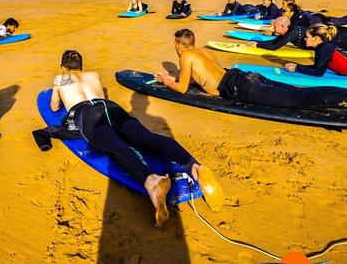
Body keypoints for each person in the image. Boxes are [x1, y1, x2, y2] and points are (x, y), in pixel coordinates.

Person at [33, 50, 224, 228]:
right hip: (109, 107)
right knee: (145, 138)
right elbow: (104, 94)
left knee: (118, 146)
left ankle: (152, 181)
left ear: (63, 67)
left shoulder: (61, 79)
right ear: (81, 66)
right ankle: (194, 166)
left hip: (87, 113)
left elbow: (55, 106)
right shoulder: (94, 76)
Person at [155, 29, 347, 109]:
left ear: (178, 45)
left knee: (297, 99)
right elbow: (200, 76)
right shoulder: (203, 51)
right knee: (297, 92)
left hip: (242, 88)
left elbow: (182, 88)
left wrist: (167, 81)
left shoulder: (186, 56)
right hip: (243, 77)